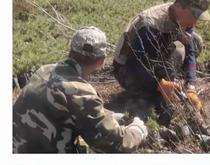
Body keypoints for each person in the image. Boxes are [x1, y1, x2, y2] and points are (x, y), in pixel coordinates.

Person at [13, 27, 148, 153]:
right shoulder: (81, 92)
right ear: (101, 61)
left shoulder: (44, 70)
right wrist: (137, 130)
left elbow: (69, 106)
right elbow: (113, 144)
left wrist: (108, 115)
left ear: (70, 51)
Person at [113, 0, 210, 121]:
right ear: (182, 7)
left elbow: (190, 51)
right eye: (194, 16)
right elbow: (134, 65)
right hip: (127, 70)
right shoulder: (150, 25)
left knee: (194, 41)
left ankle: (166, 86)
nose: (195, 22)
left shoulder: (181, 18)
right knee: (155, 97)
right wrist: (159, 83)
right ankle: (149, 96)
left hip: (155, 57)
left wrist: (191, 86)